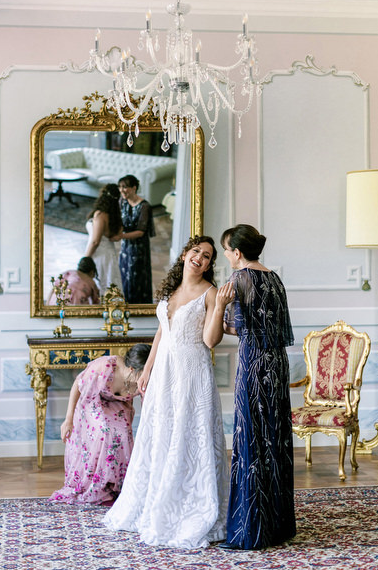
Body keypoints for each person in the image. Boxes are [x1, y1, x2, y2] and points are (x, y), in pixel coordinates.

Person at [103, 236, 232, 549]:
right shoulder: (170, 289)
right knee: (161, 432)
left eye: (207, 256)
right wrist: (147, 369)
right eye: (196, 251)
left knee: (189, 434)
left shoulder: (210, 293)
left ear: (209, 265)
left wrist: (220, 307)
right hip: (164, 371)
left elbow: (211, 341)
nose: (200, 258)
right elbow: (162, 331)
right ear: (185, 254)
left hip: (192, 372)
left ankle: (189, 508)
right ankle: (156, 500)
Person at [218, 224, 296, 551]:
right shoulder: (274, 277)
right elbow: (275, 326)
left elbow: (233, 328)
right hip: (277, 363)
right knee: (274, 437)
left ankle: (250, 529)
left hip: (253, 363)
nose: (225, 255)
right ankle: (278, 525)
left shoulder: (240, 279)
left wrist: (217, 307)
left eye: (226, 250)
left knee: (251, 436)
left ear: (237, 252)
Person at [49, 343, 151, 505]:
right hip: (92, 400)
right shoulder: (106, 367)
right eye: (144, 373)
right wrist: (68, 419)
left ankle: (115, 484)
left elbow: (148, 408)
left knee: (123, 432)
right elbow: (77, 385)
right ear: (132, 370)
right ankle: (95, 483)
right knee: (104, 430)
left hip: (118, 405)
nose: (148, 377)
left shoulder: (145, 379)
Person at [111, 174, 155, 304]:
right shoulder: (122, 202)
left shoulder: (144, 206)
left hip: (139, 249)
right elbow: (118, 221)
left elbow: (141, 232)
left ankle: (138, 306)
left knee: (136, 277)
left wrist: (121, 236)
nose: (121, 190)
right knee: (124, 275)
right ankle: (126, 304)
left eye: (125, 187)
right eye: (120, 187)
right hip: (125, 247)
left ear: (134, 188)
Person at [85, 183, 123, 296]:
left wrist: (86, 258)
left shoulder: (100, 215)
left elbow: (95, 241)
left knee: (101, 284)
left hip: (99, 254)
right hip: (110, 253)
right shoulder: (115, 215)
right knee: (110, 283)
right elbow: (116, 236)